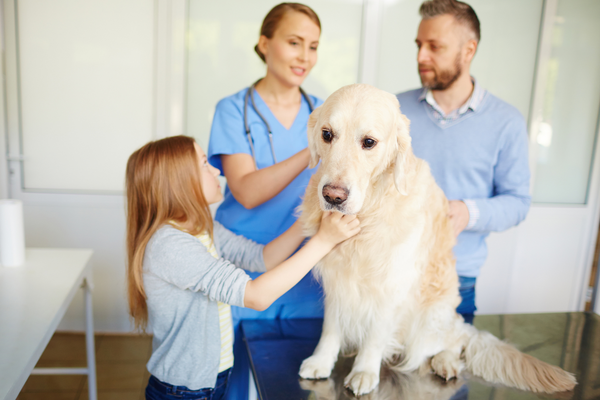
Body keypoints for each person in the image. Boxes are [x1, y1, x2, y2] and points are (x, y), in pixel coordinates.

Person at [125, 136, 360, 400]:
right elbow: (256, 296)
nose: (216, 170)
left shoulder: (203, 229)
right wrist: (323, 241)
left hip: (212, 381)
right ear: (175, 181)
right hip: (183, 391)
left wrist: (308, 216)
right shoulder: (170, 245)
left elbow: (263, 258)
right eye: (204, 164)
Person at [207, 3, 323, 398]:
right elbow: (247, 190)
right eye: (294, 43)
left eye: (313, 46)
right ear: (264, 43)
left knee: (298, 385)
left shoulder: (323, 115)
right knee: (237, 387)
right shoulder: (233, 110)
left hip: (304, 274)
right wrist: (313, 148)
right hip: (242, 268)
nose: (305, 56)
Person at [396, 0, 531, 324]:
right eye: (418, 45)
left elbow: (518, 202)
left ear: (468, 50)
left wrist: (467, 211)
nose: (421, 57)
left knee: (447, 373)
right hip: (390, 271)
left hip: (457, 280)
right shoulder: (394, 111)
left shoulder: (506, 122)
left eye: (434, 47)